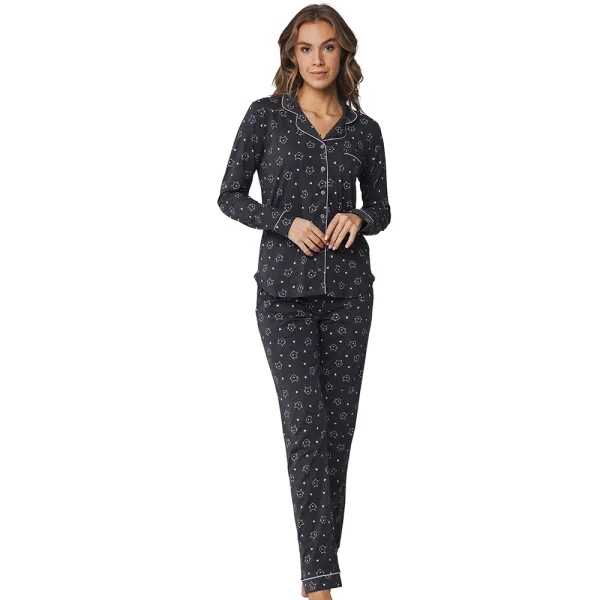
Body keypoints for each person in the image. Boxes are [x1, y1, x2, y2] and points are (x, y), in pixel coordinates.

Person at [217, 4, 391, 598]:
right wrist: (284, 222)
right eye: (306, 48)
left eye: (329, 47)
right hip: (283, 296)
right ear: (291, 54)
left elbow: (383, 208)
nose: (318, 59)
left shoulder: (365, 130)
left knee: (337, 435)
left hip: (350, 296)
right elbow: (229, 195)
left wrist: (360, 217)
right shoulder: (265, 117)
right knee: (305, 426)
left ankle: (318, 572)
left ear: (345, 53)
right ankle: (319, 585)